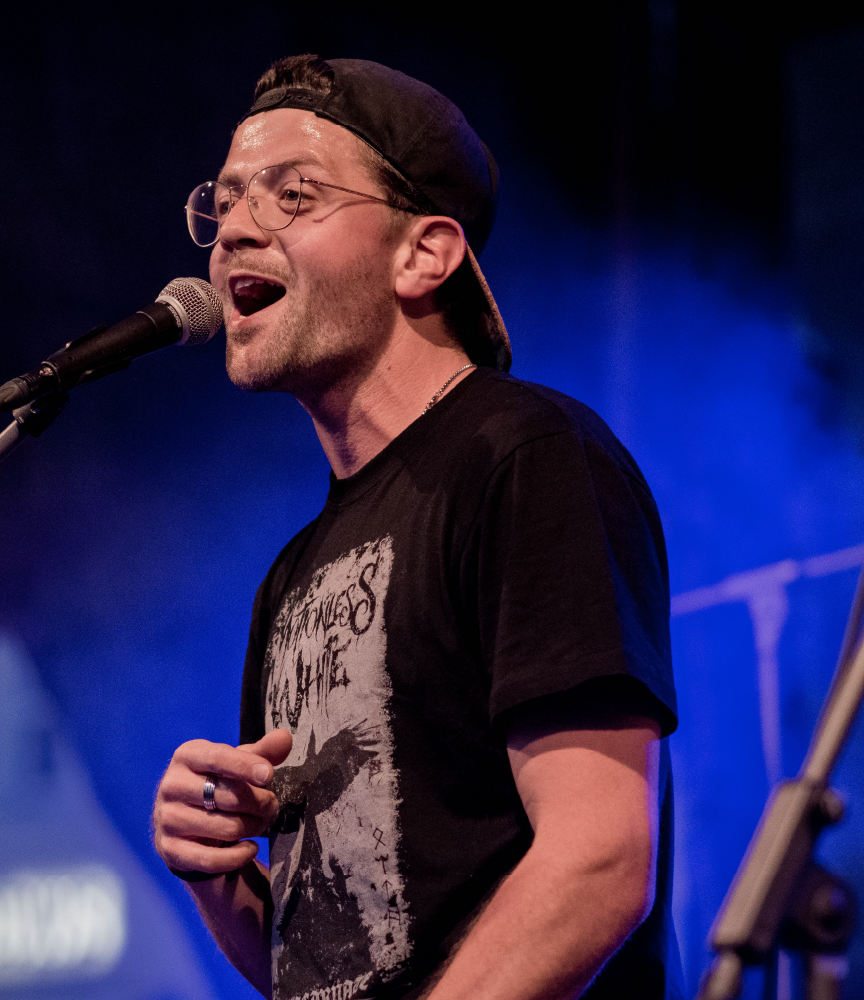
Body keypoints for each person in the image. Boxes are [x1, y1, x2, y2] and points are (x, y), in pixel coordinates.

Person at [150, 56, 681, 1000]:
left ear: (424, 255)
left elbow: (600, 861)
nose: (232, 230)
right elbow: (327, 964)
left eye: (293, 195)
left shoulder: (528, 458)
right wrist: (216, 875)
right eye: (225, 201)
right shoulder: (291, 574)